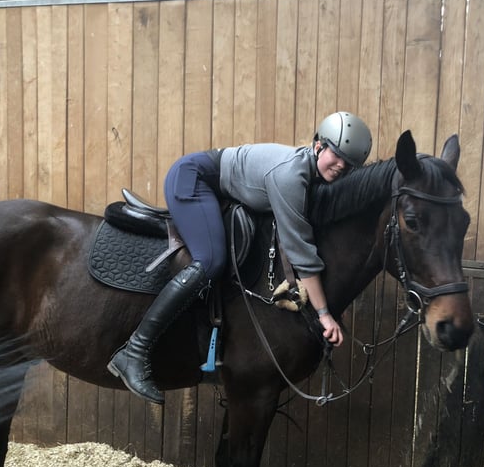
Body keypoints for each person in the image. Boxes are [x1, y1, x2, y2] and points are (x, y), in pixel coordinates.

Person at [107, 111, 373, 404]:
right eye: (336, 155)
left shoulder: (312, 175)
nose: (341, 166)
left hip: (215, 183)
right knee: (210, 261)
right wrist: (324, 314)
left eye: (349, 164)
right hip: (192, 179)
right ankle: (133, 352)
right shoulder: (290, 175)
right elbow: (300, 250)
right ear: (319, 146)